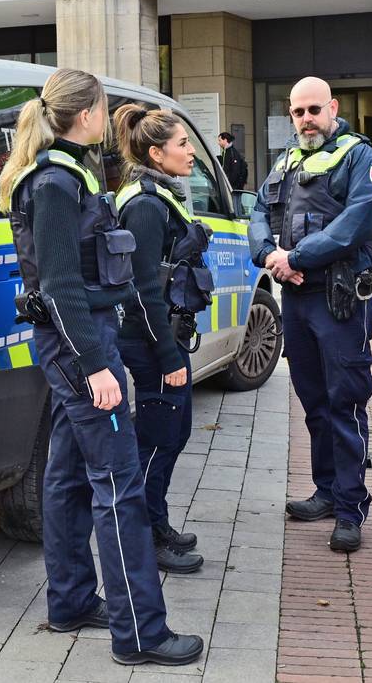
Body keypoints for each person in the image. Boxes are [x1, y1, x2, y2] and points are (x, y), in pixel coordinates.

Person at [0, 69, 203, 668]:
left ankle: (70, 601)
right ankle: (140, 633)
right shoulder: (57, 182)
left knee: (64, 474)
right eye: (102, 108)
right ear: (85, 114)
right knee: (119, 486)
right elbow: (61, 287)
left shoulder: (64, 173)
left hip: (72, 343)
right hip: (81, 346)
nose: (106, 117)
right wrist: (96, 366)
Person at [248, 76, 372, 553]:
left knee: (345, 402)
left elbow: (357, 223)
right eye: (298, 111)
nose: (306, 119)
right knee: (314, 403)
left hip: (339, 298)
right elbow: (259, 212)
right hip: (297, 296)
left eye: (313, 110)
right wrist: (268, 254)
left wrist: (295, 258)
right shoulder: (286, 159)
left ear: (332, 107)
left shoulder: (358, 156)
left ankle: (350, 509)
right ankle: (326, 491)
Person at [113, 104, 212, 575]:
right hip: (152, 341)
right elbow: (144, 289)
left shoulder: (155, 196)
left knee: (172, 432)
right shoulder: (147, 205)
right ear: (157, 152)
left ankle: (158, 522)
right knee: (158, 438)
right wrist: (168, 353)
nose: (191, 152)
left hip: (159, 338)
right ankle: (148, 538)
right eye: (183, 144)